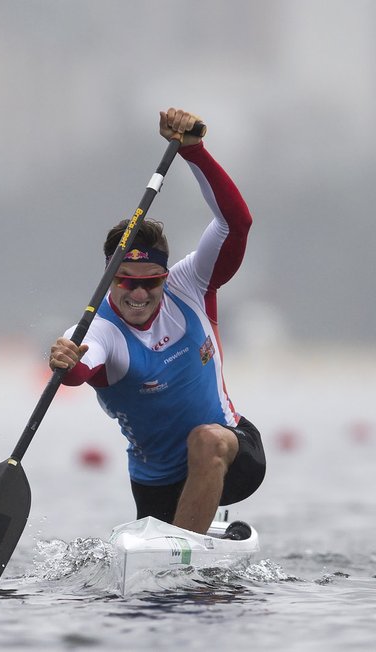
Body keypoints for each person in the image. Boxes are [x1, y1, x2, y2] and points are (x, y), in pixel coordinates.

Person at [48, 107, 264, 535]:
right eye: (127, 281)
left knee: (206, 440)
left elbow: (236, 224)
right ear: (109, 278)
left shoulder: (191, 285)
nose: (140, 294)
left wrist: (195, 153)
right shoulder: (100, 330)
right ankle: (186, 541)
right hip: (156, 482)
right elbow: (79, 364)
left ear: (167, 276)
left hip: (233, 448)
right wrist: (66, 361)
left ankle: (184, 550)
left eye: (152, 282)